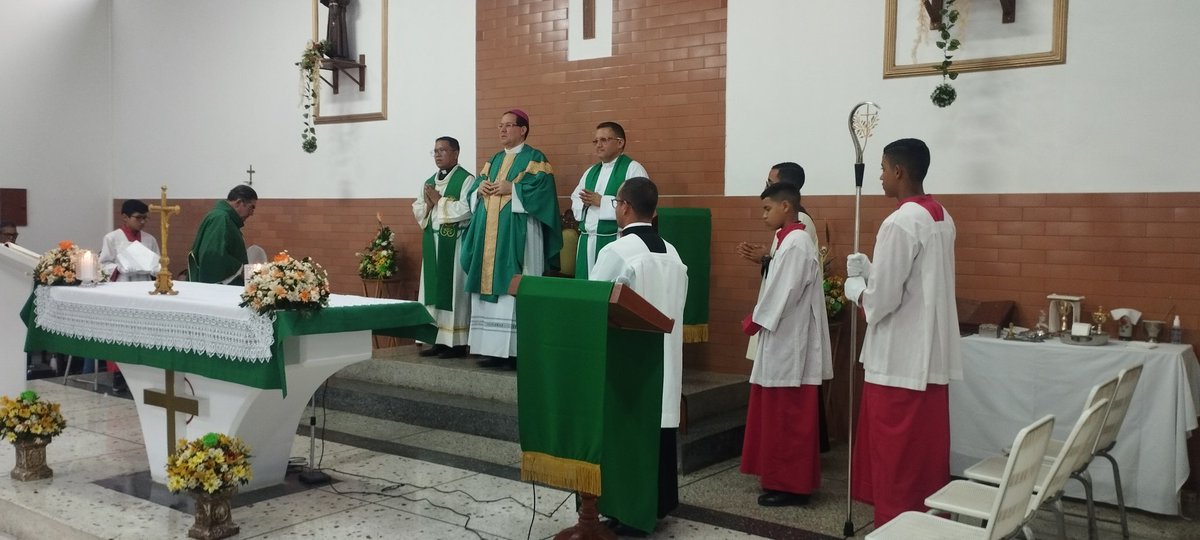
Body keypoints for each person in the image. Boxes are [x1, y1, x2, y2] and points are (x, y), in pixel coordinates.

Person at [843, 138, 961, 527]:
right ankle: (926, 525)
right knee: (922, 457)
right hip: (928, 354)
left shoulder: (900, 221)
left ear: (898, 171)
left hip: (899, 357)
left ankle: (897, 528)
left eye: (882, 169)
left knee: (897, 460)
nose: (878, 176)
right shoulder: (941, 215)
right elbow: (917, 285)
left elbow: (883, 302)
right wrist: (872, 267)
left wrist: (858, 288)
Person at [590, 177, 688, 537]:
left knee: (628, 430)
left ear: (624, 206)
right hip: (666, 356)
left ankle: (629, 511)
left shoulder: (616, 252)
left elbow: (594, 302)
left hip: (628, 358)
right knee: (657, 430)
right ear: (655, 210)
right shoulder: (673, 253)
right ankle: (656, 505)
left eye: (616, 203)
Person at [738, 182, 833, 507]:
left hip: (790, 343)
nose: (764, 215)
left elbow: (784, 292)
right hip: (782, 339)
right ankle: (780, 480)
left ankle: (793, 486)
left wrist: (756, 318)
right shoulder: (789, 240)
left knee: (788, 418)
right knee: (778, 416)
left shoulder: (796, 242)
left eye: (768, 209)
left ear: (786, 207)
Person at [460, 109, 562, 369]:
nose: (502, 130)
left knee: (517, 284)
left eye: (508, 125)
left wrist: (512, 189)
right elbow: (475, 189)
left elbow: (543, 193)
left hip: (521, 235)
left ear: (523, 129)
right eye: (500, 125)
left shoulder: (534, 158)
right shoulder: (493, 160)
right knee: (489, 285)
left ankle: (517, 352)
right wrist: (478, 189)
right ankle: (491, 350)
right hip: (489, 238)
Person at [412, 136, 474, 359]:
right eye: (435, 151)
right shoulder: (429, 181)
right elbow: (418, 208)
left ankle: (456, 344)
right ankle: (437, 340)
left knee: (454, 291)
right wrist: (428, 206)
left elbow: (468, 210)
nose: (438, 154)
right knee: (431, 292)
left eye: (443, 150)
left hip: (454, 244)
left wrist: (440, 201)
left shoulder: (466, 180)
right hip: (433, 243)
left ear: (456, 153)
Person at [569, 121, 649, 279]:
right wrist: (584, 204)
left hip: (615, 241)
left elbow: (639, 206)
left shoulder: (633, 169)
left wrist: (602, 202)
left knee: (609, 290)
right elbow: (575, 199)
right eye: (596, 141)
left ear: (620, 143)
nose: (598, 145)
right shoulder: (591, 172)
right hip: (587, 241)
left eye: (604, 140)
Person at [188, 185, 258, 286]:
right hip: (218, 287)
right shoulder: (220, 218)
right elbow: (212, 254)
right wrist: (240, 269)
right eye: (251, 207)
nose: (252, 213)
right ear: (238, 203)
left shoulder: (225, 218)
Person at [99, 199, 161, 282]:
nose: (142, 221)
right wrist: (118, 268)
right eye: (138, 217)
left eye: (145, 218)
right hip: (122, 284)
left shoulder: (150, 239)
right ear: (125, 217)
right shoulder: (112, 238)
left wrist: (156, 269)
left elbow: (158, 264)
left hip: (146, 284)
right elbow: (103, 265)